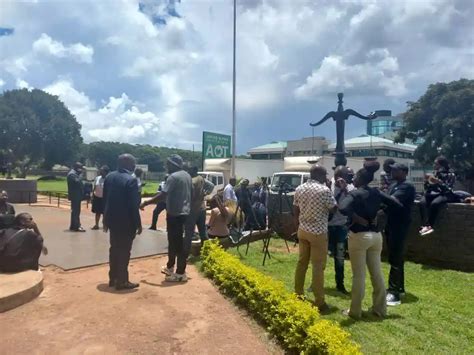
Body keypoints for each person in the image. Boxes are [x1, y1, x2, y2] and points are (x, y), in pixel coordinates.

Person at [339, 163, 402, 319]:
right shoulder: (376, 192)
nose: (353, 178)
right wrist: (379, 212)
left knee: (359, 275)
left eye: (355, 176)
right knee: (377, 273)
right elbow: (396, 204)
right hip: (376, 236)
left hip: (359, 236)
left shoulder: (356, 194)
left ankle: (355, 311)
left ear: (360, 178)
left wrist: (356, 218)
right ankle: (380, 309)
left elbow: (342, 207)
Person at [141, 154, 192, 282]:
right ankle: (170, 267)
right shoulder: (187, 175)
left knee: (177, 244)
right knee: (174, 242)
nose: (166, 166)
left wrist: (146, 202)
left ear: (173, 165)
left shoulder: (173, 177)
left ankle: (180, 273)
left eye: (168, 164)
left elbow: (163, 196)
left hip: (175, 214)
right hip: (184, 213)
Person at [293, 165, 336, 312]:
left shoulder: (300, 188)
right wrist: (330, 188)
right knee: (317, 266)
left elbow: (296, 209)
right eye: (325, 175)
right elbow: (334, 208)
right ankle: (319, 301)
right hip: (318, 232)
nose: (326, 178)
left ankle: (298, 293)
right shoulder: (324, 190)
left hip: (303, 230)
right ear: (319, 175)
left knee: (302, 263)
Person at [103, 154, 142, 290]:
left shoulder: (109, 177)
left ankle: (113, 278)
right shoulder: (130, 180)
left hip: (112, 221)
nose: (134, 166)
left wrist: (105, 219)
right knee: (124, 251)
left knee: (114, 249)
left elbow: (105, 200)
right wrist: (138, 224)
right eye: (133, 163)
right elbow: (133, 205)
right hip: (126, 222)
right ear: (126, 163)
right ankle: (122, 281)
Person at [385, 163, 416, 306]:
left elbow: (393, 201)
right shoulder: (393, 185)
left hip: (400, 225)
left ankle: (394, 293)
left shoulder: (407, 186)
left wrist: (378, 194)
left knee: (396, 257)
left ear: (403, 172)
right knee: (394, 257)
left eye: (395, 169)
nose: (392, 171)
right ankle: (399, 287)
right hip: (390, 224)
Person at [327, 166, 355, 295]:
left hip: (341, 227)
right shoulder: (327, 185)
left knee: (339, 258)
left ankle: (340, 284)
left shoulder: (350, 188)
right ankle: (315, 283)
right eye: (347, 175)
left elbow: (354, 201)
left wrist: (344, 189)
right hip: (326, 226)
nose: (350, 177)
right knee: (320, 256)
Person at [419, 156, 456, 236]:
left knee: (435, 204)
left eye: (436, 164)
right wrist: (426, 182)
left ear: (442, 165)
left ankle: (430, 226)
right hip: (434, 193)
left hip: (445, 194)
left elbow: (448, 189)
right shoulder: (434, 173)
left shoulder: (451, 175)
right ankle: (424, 224)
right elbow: (427, 188)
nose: (434, 166)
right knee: (422, 203)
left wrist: (439, 182)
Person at [184, 166, 214, 249]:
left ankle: (186, 253)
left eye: (189, 169)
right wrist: (206, 193)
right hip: (202, 208)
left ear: (193, 170)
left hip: (192, 210)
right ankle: (207, 251)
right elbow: (211, 185)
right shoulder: (201, 178)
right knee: (202, 231)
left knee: (189, 232)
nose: (188, 171)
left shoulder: (191, 181)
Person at [67, 162, 85, 232]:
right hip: (75, 196)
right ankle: (77, 226)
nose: (81, 169)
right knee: (76, 211)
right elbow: (77, 181)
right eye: (80, 168)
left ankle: (73, 226)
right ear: (76, 167)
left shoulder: (74, 173)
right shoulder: (72, 174)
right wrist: (81, 175)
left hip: (77, 195)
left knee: (75, 211)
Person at [91, 165, 110, 230]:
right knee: (97, 212)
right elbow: (94, 187)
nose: (100, 171)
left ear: (106, 172)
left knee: (105, 212)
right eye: (100, 170)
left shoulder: (108, 179)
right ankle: (96, 225)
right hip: (97, 197)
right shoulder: (97, 178)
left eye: (102, 170)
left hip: (105, 199)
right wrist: (92, 196)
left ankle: (105, 225)